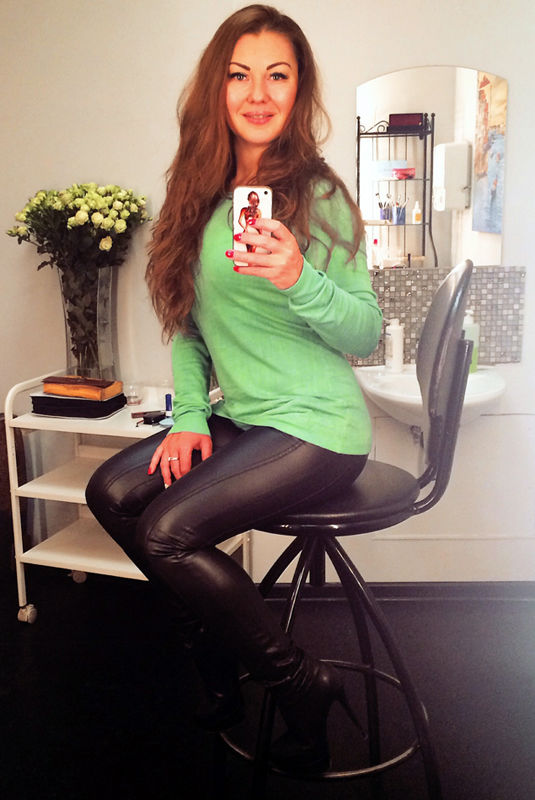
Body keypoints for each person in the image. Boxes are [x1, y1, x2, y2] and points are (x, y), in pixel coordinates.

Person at [86, 4, 382, 772]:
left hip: (318, 425)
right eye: (239, 75)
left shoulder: (317, 195)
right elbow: (189, 326)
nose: (257, 93)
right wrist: (189, 416)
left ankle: (298, 681)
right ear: (215, 89)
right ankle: (218, 658)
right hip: (244, 418)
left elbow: (364, 332)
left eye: (276, 76)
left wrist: (299, 276)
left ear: (297, 90)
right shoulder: (198, 194)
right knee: (112, 493)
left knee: (166, 532)